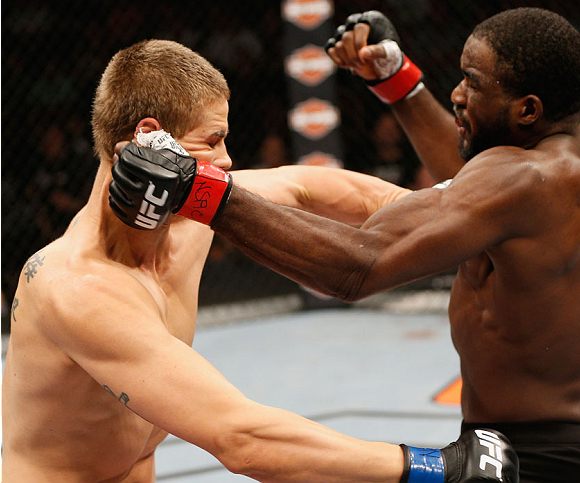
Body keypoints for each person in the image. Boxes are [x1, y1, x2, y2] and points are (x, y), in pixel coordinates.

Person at [109, 8, 580, 483]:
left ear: (527, 110)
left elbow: (358, 267)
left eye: (473, 82)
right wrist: (398, 83)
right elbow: (477, 180)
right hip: (576, 444)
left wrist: (200, 192)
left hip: (526, 461)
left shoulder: (523, 179)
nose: (457, 94)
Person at [1, 39, 520, 482]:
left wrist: (453, 215)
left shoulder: (187, 218)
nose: (226, 161)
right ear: (149, 138)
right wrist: (435, 466)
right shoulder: (77, 288)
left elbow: (311, 185)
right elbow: (243, 439)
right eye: (214, 140)